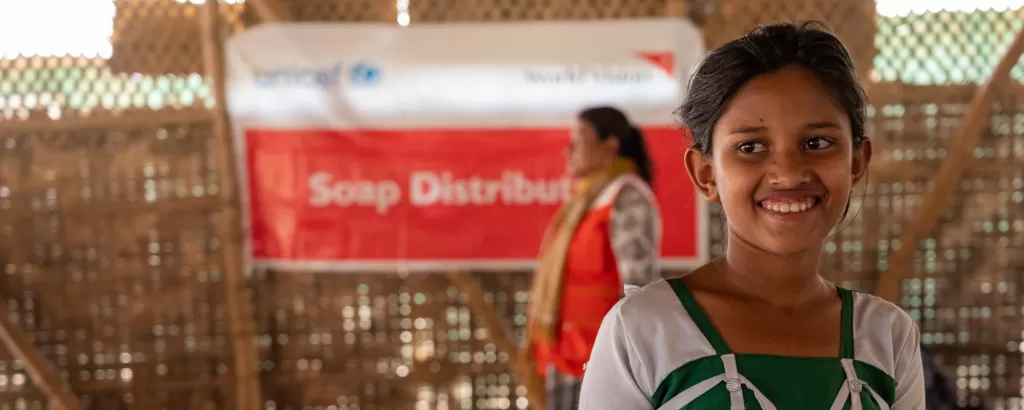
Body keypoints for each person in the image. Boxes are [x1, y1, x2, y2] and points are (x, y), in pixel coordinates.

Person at [578, 22, 926, 409]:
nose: (789, 172)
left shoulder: (888, 337)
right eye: (751, 146)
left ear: (857, 161)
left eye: (817, 143)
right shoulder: (644, 330)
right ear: (705, 174)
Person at [524, 106, 663, 410]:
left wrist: (622, 363)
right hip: (566, 357)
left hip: (601, 362)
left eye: (578, 139)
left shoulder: (626, 197)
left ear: (609, 146)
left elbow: (637, 289)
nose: (568, 149)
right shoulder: (583, 203)